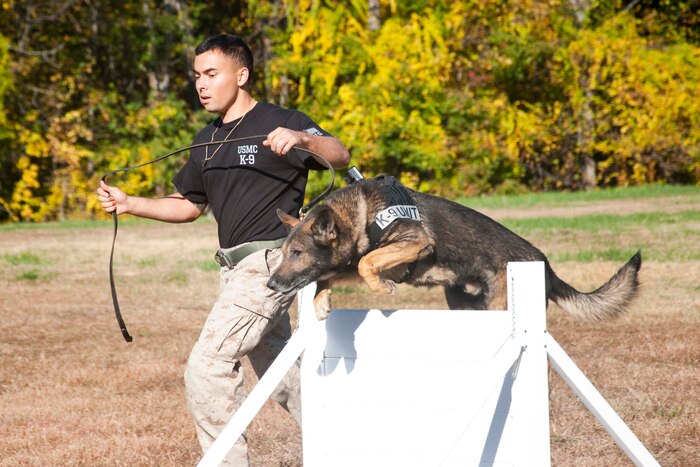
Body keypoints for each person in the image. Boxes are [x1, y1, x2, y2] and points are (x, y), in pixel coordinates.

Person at [97, 34, 350, 465]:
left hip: (270, 264)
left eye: (211, 74)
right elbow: (189, 206)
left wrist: (302, 139)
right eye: (197, 76)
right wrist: (129, 203)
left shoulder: (280, 121)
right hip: (233, 271)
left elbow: (341, 154)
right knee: (285, 378)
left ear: (242, 75)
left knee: (207, 365)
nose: (201, 84)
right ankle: (353, 449)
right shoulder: (206, 139)